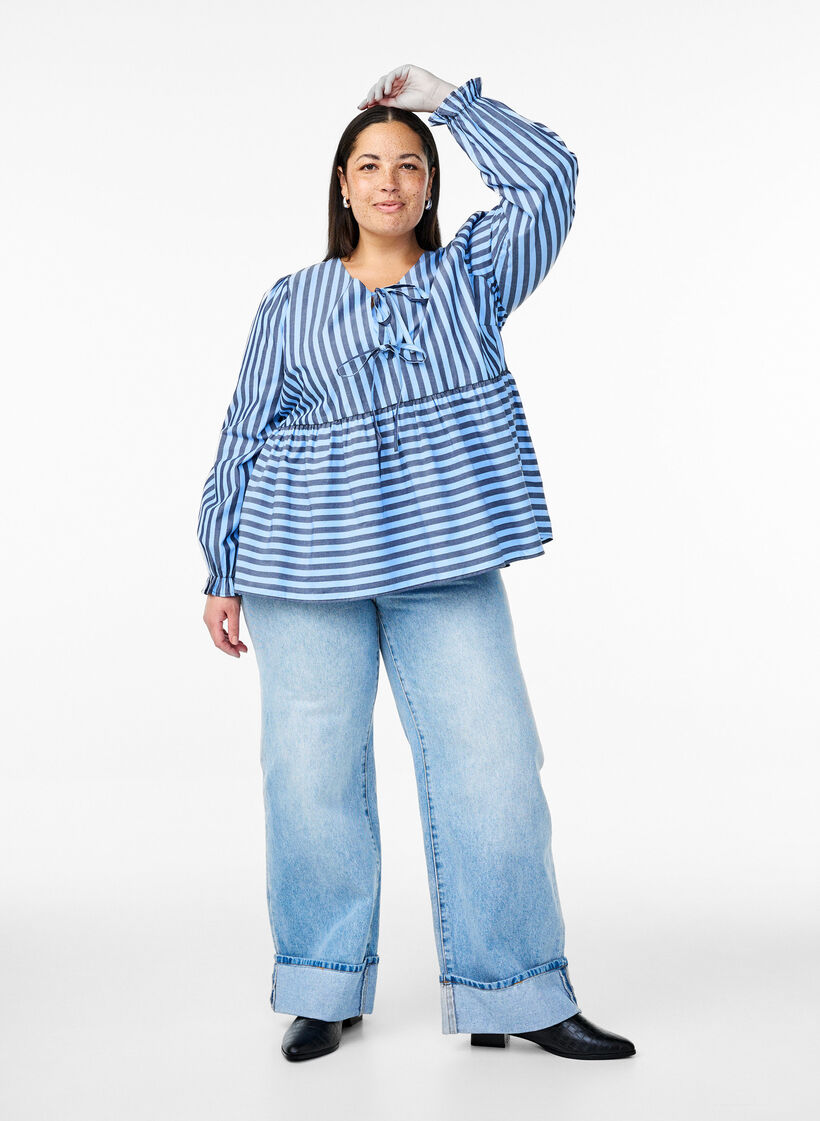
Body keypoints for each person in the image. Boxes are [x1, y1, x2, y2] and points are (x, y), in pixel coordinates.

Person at [197, 63, 636, 1064]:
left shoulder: (472, 276)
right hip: (299, 562)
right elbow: (243, 431)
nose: (388, 180)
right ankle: (321, 984)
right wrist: (221, 563)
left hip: (443, 557)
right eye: (368, 164)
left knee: (492, 762)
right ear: (342, 186)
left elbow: (548, 182)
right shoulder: (291, 301)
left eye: (408, 164)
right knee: (310, 775)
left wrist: (450, 101)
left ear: (430, 186)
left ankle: (516, 992)